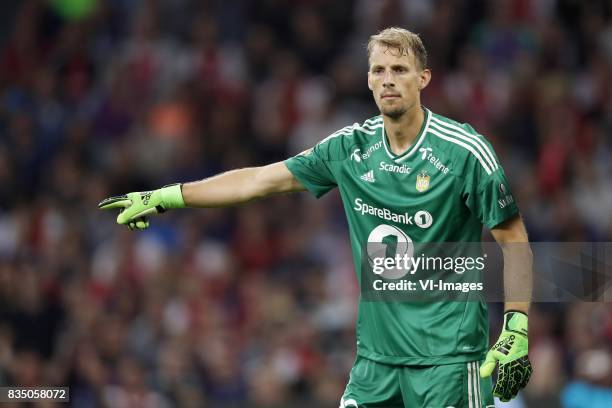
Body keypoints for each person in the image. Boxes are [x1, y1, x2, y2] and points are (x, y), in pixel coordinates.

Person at [100, 27, 533, 407]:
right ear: (367, 79)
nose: (388, 80)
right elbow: (257, 181)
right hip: (376, 363)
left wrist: (516, 324)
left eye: (399, 70)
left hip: (448, 362)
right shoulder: (349, 149)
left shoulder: (463, 151)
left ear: (423, 79)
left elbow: (513, 239)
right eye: (379, 70)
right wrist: (169, 196)